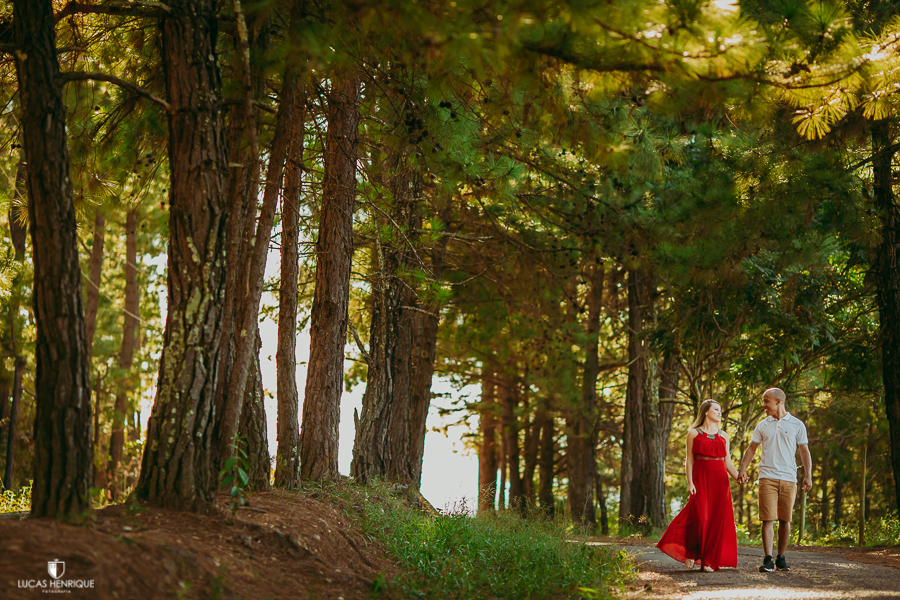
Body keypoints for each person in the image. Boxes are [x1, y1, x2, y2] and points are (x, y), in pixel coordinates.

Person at [657, 399, 739, 572]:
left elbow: (728, 463)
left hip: (720, 482)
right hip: (701, 479)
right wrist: (690, 482)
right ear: (706, 411)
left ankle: (708, 561)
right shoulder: (693, 433)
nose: (719, 412)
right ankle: (692, 552)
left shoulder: (724, 436)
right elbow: (690, 461)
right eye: (716, 409)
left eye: (720, 410)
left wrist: (739, 477)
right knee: (700, 517)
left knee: (716, 521)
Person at [737, 387, 813, 573]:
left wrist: (808, 475)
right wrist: (741, 469)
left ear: (778, 401)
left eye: (766, 401)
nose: (764, 405)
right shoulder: (762, 425)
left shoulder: (797, 425)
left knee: (785, 520)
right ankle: (768, 559)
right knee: (767, 519)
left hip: (789, 478)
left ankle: (781, 558)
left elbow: (804, 451)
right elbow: (752, 449)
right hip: (767, 477)